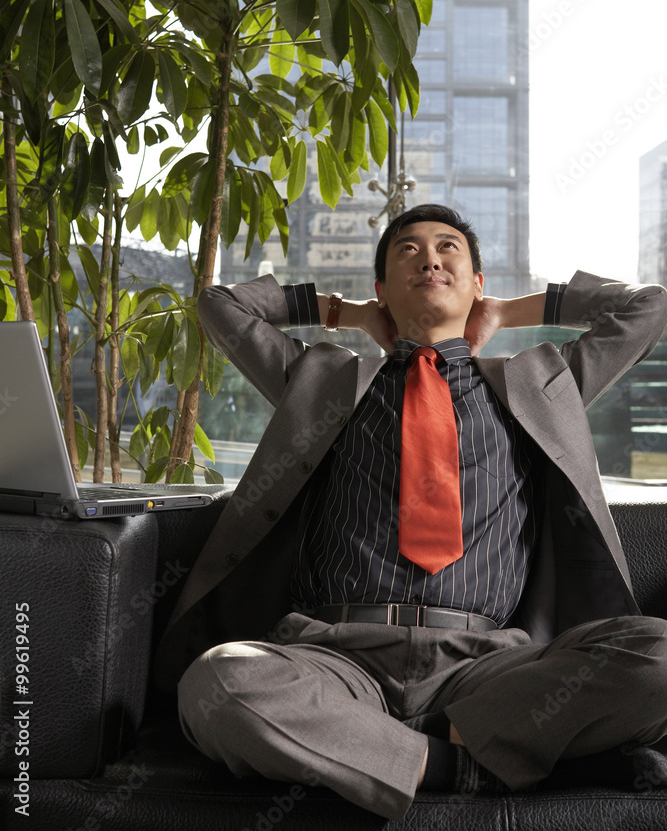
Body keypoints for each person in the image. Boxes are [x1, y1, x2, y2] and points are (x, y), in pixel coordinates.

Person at [161, 204, 667, 820]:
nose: (429, 258)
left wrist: (510, 313)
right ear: (381, 290)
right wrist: (346, 316)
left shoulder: (540, 385)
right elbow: (222, 304)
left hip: (489, 670)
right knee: (220, 682)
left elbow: (647, 307)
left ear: (478, 284)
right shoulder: (323, 381)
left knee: (658, 655)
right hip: (334, 660)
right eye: (407, 250)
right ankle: (465, 761)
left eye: (449, 247)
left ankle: (383, 754)